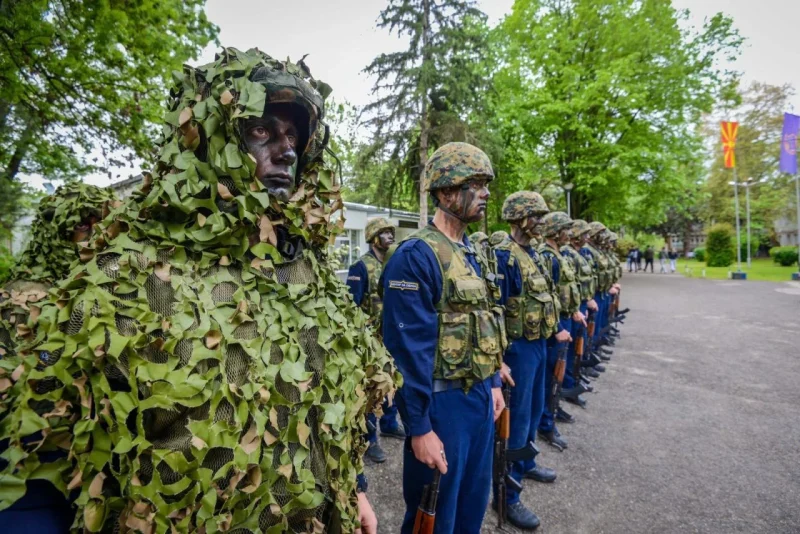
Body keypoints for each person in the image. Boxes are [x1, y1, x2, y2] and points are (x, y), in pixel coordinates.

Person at [0, 48, 397, 534]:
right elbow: (38, 461)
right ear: (209, 140)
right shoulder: (127, 277)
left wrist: (352, 489)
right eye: (260, 131)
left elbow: (332, 407)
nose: (286, 150)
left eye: (292, 134)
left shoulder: (310, 275)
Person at [382, 142, 506, 534]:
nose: (486, 193)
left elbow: (483, 322)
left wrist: (493, 382)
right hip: (441, 407)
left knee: (471, 508)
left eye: (487, 184)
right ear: (447, 190)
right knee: (433, 519)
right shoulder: (416, 255)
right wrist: (418, 427)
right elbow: (406, 352)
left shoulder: (472, 252)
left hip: (478, 402)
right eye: (477, 184)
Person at [0, 182, 118, 532]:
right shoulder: (16, 302)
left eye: (105, 224)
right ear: (54, 232)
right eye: (84, 225)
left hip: (96, 483)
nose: (96, 237)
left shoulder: (118, 298)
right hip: (27, 481)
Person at [491, 191, 557, 530]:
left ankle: (526, 462)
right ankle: (507, 496)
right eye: (537, 216)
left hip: (537, 345)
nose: (542, 222)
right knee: (514, 424)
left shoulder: (536, 254)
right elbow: (496, 311)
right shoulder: (505, 257)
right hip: (516, 350)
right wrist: (498, 360)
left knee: (532, 412)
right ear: (519, 218)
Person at [346, 217, 404, 464]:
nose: (391, 236)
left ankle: (390, 424)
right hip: (370, 340)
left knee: (391, 382)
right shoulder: (361, 266)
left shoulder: (394, 264)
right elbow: (351, 305)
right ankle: (370, 439)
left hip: (391, 335)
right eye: (385, 233)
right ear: (373, 237)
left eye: (392, 233)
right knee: (371, 390)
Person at [537, 212, 577, 452]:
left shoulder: (558, 255)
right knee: (549, 379)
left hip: (562, 321)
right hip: (555, 326)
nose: (568, 234)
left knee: (555, 377)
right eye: (565, 229)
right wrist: (557, 328)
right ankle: (546, 423)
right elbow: (548, 298)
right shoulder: (548, 258)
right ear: (555, 231)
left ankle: (551, 414)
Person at [559, 219, 598, 410]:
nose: (587, 238)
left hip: (577, 305)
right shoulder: (565, 253)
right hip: (569, 311)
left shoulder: (574, 253)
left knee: (575, 350)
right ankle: (567, 387)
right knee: (564, 357)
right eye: (584, 234)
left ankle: (572, 383)